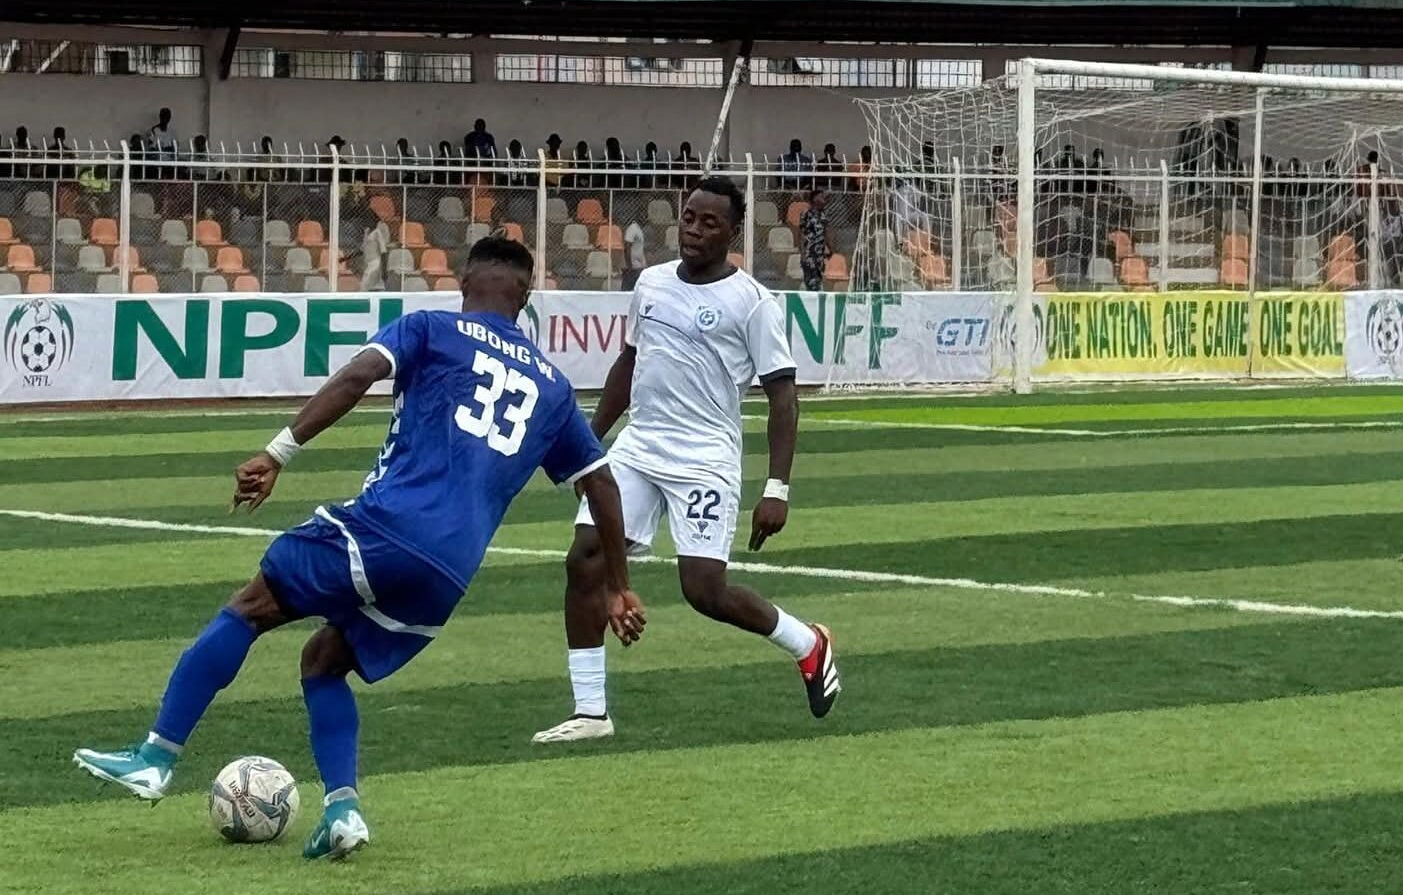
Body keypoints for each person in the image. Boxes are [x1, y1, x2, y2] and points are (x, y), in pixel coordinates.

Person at [73, 236, 645, 860]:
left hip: (389, 527)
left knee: (251, 606)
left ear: (462, 283)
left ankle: (156, 757)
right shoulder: (555, 390)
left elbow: (357, 376)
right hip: (448, 576)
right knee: (323, 661)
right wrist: (618, 587)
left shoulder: (432, 328)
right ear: (526, 297)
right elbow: (603, 483)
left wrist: (278, 451)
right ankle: (342, 810)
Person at [532, 176, 839, 744]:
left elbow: (782, 396)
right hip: (641, 444)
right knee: (584, 558)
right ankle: (591, 711)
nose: (694, 230)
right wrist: (588, 442)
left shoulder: (752, 303)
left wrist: (778, 487)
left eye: (709, 223)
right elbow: (628, 364)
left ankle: (809, 643)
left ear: (733, 231)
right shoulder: (649, 284)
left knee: (703, 591)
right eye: (689, 218)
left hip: (704, 456)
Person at [798, 187, 829, 290]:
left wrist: (828, 247)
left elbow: (825, 232)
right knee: (809, 278)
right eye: (821, 197)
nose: (823, 199)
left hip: (820, 252)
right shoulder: (806, 214)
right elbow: (802, 233)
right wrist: (803, 252)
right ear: (815, 198)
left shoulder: (823, 214)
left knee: (818, 277)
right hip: (809, 251)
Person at [621, 220, 646, 290]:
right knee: (627, 290)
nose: (645, 218)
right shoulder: (632, 228)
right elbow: (627, 246)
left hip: (638, 265)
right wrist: (629, 266)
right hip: (632, 266)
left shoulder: (639, 229)